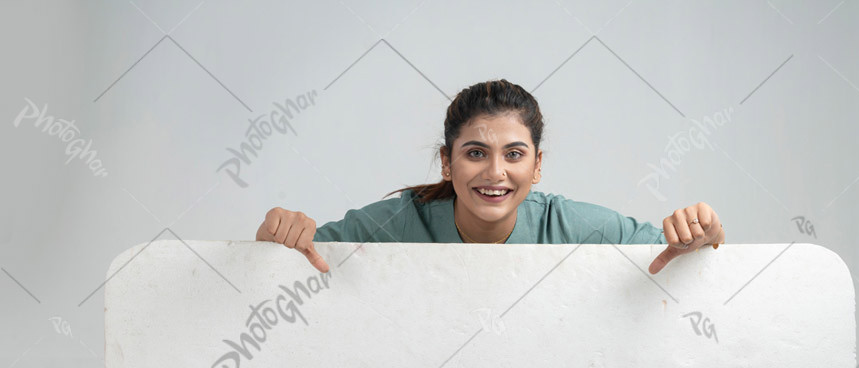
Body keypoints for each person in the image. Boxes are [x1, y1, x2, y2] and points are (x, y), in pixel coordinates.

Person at [255, 79, 724, 275]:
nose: (495, 173)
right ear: (447, 162)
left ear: (537, 166)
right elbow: (306, 253)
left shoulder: (572, 226)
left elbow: (669, 251)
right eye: (476, 152)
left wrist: (705, 234)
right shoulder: (395, 224)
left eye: (514, 154)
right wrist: (278, 237)